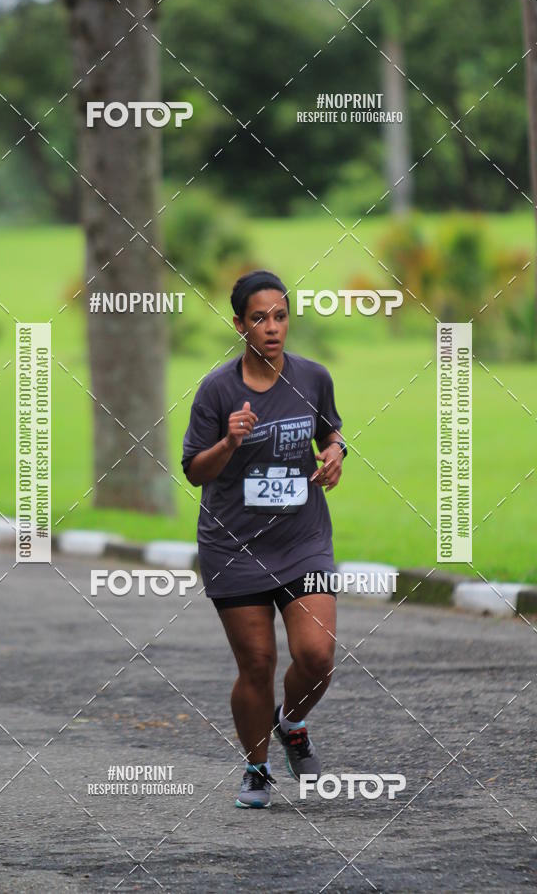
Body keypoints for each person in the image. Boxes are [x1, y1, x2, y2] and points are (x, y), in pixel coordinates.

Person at [182, 269, 346, 809]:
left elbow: (330, 431)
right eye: (259, 318)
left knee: (317, 655)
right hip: (234, 546)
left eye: (280, 315)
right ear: (239, 325)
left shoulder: (314, 377)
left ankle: (292, 722)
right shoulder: (217, 390)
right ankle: (256, 768)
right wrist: (229, 441)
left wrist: (335, 454)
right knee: (257, 665)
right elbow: (195, 471)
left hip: (303, 539)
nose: (272, 327)